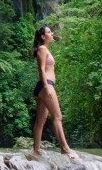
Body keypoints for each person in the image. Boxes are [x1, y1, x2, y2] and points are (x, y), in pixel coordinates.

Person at [30, 25, 77, 158]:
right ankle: (65, 148)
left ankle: (36, 151)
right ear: (43, 37)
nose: (52, 33)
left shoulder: (44, 49)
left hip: (43, 87)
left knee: (41, 120)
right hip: (46, 86)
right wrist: (46, 87)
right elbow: (41, 69)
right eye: (49, 32)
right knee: (57, 117)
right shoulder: (42, 49)